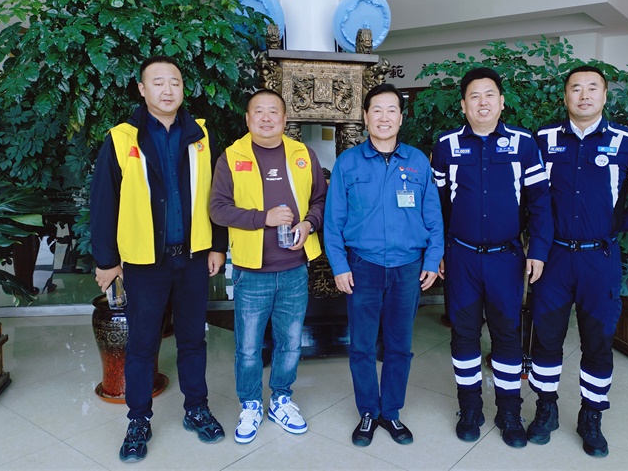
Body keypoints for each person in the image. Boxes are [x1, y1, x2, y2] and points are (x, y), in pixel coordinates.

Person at [90, 55, 227, 463]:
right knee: (142, 343)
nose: (168, 90)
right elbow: (103, 202)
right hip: (144, 262)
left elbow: (216, 194)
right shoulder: (122, 138)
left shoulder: (200, 135)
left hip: (193, 258)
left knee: (193, 339)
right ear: (142, 89)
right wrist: (107, 261)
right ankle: (138, 419)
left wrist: (218, 245)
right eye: (158, 82)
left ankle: (196, 408)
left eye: (175, 82)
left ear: (183, 88)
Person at [527, 65, 628, 457]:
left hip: (599, 258)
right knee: (546, 338)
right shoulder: (543, 139)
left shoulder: (627, 142)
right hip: (553, 258)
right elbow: (526, 193)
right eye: (576, 88)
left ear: (605, 96)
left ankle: (591, 416)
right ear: (565, 96)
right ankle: (546, 407)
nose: (584, 95)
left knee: (598, 341)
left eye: (593, 88)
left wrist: (621, 223)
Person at [431, 67, 553, 448]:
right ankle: (469, 407)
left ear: (501, 102)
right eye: (474, 96)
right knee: (464, 334)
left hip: (506, 258)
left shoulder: (523, 144)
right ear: (463, 105)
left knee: (506, 335)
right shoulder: (446, 145)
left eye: (489, 95)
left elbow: (540, 203)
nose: (482, 103)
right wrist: (438, 250)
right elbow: (435, 207)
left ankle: (509, 410)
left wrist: (539, 250)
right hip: (462, 258)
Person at [324, 83, 444, 447]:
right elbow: (333, 221)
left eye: (392, 110)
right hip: (363, 266)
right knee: (361, 345)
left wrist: (433, 258)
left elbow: (433, 216)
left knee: (399, 345)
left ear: (401, 118)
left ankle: (391, 411)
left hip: (408, 267)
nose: (384, 117)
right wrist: (339, 265)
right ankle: (368, 411)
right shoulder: (348, 162)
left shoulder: (417, 161)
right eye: (377, 109)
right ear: (365, 117)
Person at [209, 88, 327, 444]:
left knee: (290, 343)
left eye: (273, 111)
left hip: (295, 268)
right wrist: (264, 218)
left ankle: (281, 400)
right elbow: (218, 209)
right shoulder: (232, 157)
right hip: (251, 271)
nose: (266, 118)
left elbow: (321, 199)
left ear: (284, 119)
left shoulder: (303, 154)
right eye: (258, 111)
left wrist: (309, 224)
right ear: (247, 119)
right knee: (248, 347)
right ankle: (249, 404)